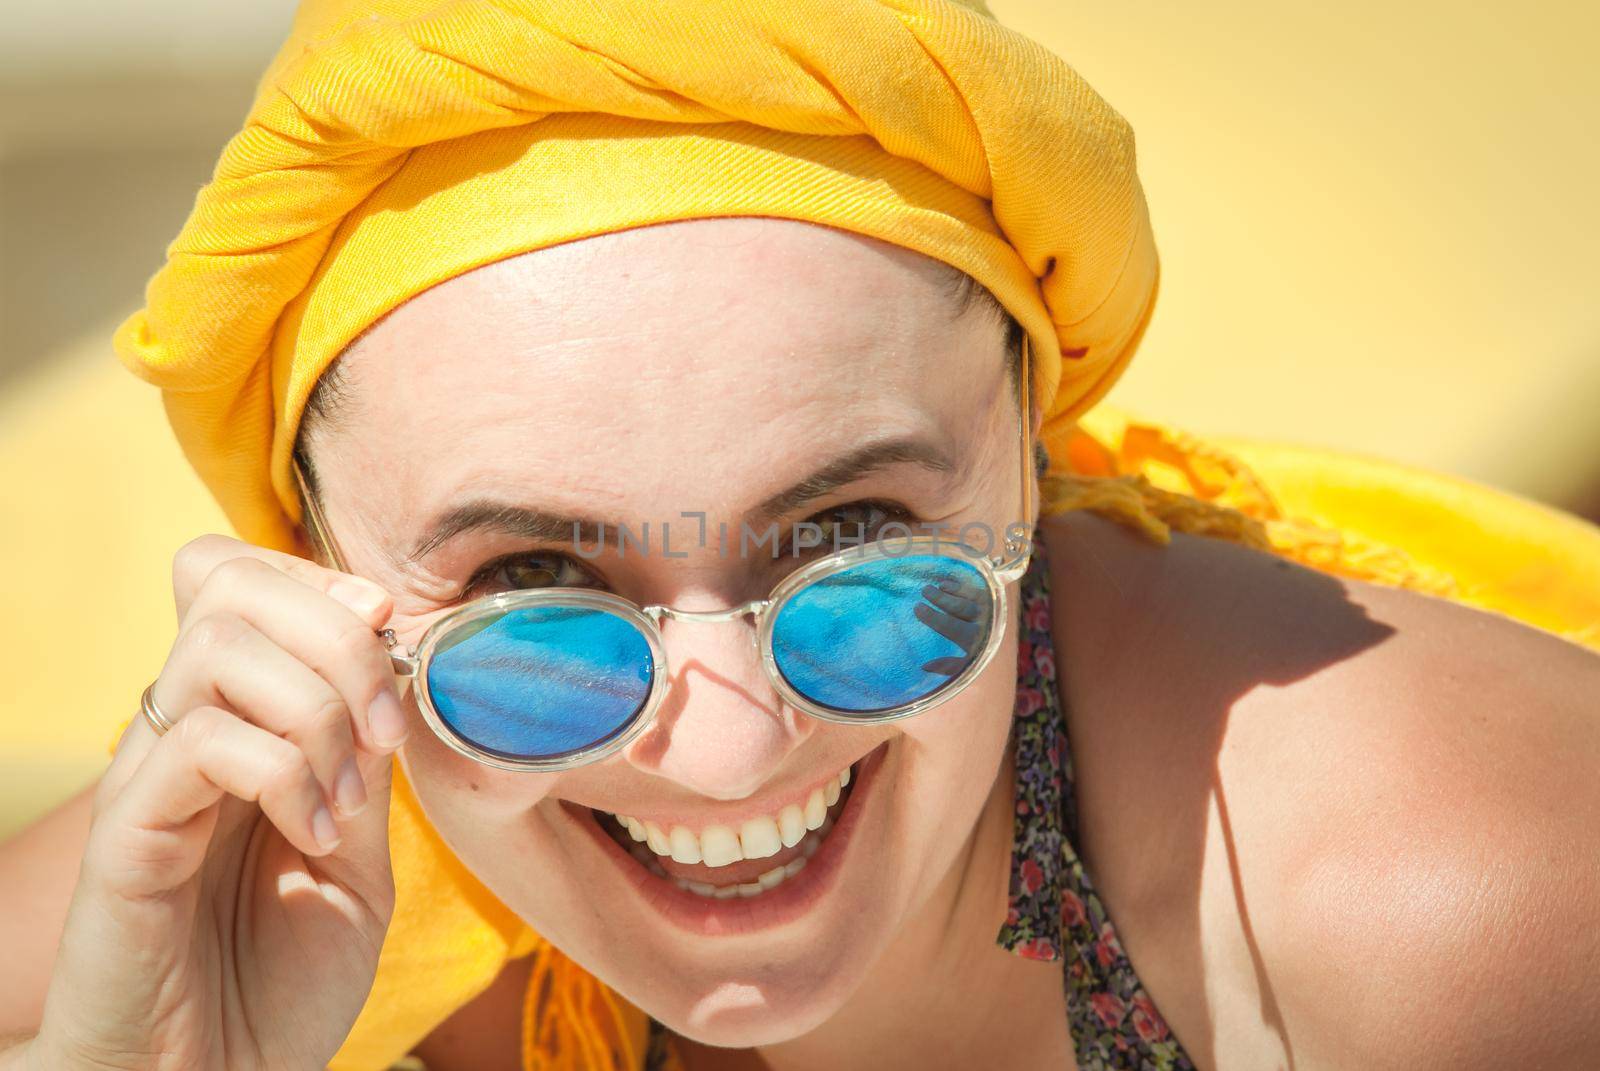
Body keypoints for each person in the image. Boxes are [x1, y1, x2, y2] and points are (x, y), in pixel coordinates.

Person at [3, 1, 1599, 1069]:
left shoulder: (1445, 913)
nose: (726, 756)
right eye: (536, 593)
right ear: (325, 596)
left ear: (1027, 475)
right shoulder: (206, 895)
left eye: (851, 540)